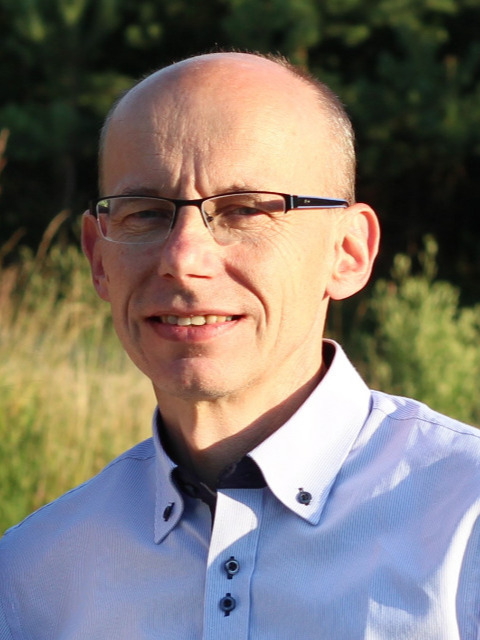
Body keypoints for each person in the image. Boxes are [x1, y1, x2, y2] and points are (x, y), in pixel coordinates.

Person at [1, 51, 479, 640]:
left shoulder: (465, 525)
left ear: (348, 252)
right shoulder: (33, 577)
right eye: (145, 214)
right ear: (99, 260)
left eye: (244, 210)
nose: (183, 258)